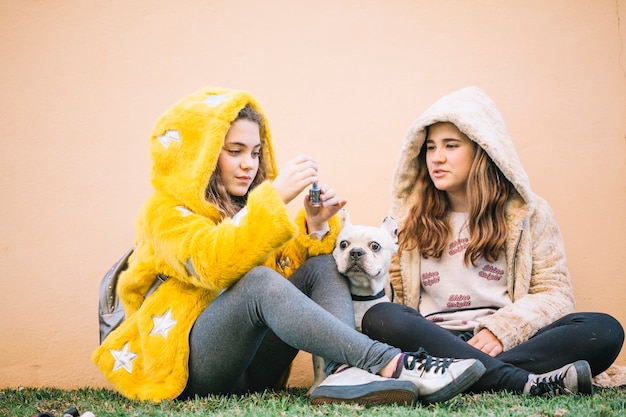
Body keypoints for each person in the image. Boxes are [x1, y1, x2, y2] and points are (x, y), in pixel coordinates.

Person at [92, 87, 486, 406]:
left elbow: (284, 282)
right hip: (189, 368)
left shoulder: (247, 208)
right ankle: (391, 363)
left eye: (255, 152)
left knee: (322, 266)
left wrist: (315, 226)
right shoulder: (165, 213)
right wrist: (273, 198)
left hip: (250, 368)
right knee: (258, 282)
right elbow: (215, 263)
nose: (249, 164)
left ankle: (337, 374)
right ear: (202, 154)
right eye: (234, 151)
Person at [361, 86, 624, 396]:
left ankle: (457, 376)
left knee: (604, 329)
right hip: (434, 342)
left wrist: (502, 330)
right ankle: (517, 382)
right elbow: (392, 300)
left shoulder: (528, 213)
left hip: (511, 344)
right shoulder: (408, 219)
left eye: (451, 145)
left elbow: (555, 294)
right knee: (379, 317)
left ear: (482, 149)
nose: (437, 158)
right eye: (430, 147)